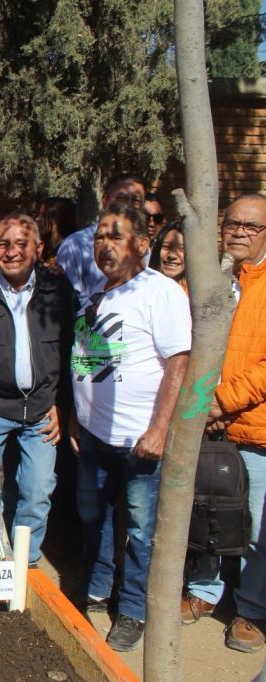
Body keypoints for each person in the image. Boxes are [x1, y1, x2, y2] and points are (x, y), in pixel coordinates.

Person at [69, 203, 190, 652]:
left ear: (142, 244)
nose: (104, 245)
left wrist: (159, 429)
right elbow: (84, 357)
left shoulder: (160, 292)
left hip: (140, 439)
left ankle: (134, 609)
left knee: (139, 529)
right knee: (93, 518)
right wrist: (78, 419)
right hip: (94, 434)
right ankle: (97, 590)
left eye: (114, 236)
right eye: (99, 236)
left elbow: (179, 361)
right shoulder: (97, 291)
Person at [0, 213, 75, 565]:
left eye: (22, 244)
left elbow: (70, 352)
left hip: (41, 413)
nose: (12, 252)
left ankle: (24, 566)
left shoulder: (57, 289)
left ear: (37, 248)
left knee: (37, 493)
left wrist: (62, 404)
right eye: (4, 244)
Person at [183, 194, 266, 653]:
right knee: (208, 512)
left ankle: (252, 609)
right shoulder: (211, 278)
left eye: (251, 227)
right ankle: (204, 592)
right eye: (232, 223)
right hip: (208, 421)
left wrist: (221, 401)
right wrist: (202, 405)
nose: (238, 232)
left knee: (255, 528)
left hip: (253, 426)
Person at [57, 173, 146, 308]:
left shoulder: (144, 247)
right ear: (105, 200)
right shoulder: (75, 245)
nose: (129, 205)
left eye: (136, 201)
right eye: (122, 198)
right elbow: (68, 300)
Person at [36, 197, 78, 267]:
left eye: (44, 216)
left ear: (58, 219)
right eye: (39, 214)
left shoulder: (71, 252)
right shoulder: (41, 249)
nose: (37, 219)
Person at [149, 223, 186, 291]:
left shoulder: (198, 292)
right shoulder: (145, 287)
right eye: (166, 247)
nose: (172, 255)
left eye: (182, 249)